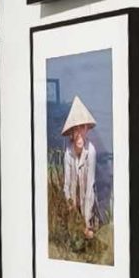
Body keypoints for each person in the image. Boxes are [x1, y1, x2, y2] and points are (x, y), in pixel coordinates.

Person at [61, 96, 98, 239]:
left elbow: (89, 187)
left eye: (82, 128)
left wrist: (86, 221)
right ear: (71, 133)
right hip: (73, 205)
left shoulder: (91, 151)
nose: (79, 134)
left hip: (88, 204)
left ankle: (89, 224)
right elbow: (67, 185)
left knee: (88, 234)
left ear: (87, 129)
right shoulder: (68, 153)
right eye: (75, 129)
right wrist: (71, 207)